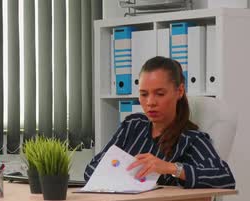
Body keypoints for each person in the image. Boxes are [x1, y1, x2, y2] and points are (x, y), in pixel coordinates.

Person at [85, 56, 235, 189]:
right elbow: (91, 168)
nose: (150, 102)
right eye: (144, 94)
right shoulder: (132, 125)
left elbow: (224, 178)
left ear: (180, 91)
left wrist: (171, 168)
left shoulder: (191, 139)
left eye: (160, 94)